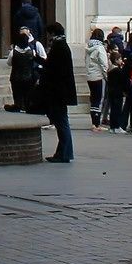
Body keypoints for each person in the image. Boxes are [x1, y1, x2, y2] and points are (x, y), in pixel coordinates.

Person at [42, 22, 77, 162]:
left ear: (52, 33)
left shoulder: (59, 47)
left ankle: (64, 154)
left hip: (59, 92)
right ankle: (65, 152)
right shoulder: (62, 45)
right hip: (61, 91)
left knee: (61, 122)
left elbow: (54, 69)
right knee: (62, 122)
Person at [8, 27, 45, 112]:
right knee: (28, 94)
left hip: (16, 77)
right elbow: (39, 59)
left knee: (17, 94)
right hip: (29, 76)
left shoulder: (13, 51)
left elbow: (9, 63)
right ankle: (27, 107)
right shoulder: (32, 52)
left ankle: (18, 106)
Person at [84, 28, 109, 129]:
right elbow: (104, 63)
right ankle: (97, 123)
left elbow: (85, 61)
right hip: (99, 75)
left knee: (93, 99)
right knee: (99, 100)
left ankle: (93, 123)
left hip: (90, 75)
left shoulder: (88, 47)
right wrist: (105, 74)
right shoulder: (100, 48)